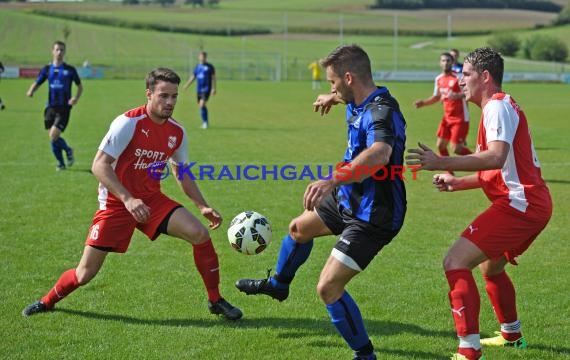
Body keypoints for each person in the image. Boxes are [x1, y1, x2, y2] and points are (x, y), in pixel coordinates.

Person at [22, 68, 242, 321]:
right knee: (85, 273)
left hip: (151, 200)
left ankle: (215, 300)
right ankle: (47, 301)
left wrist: (202, 205)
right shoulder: (128, 123)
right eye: (163, 96)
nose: (170, 102)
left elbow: (181, 171)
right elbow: (99, 165)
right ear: (149, 94)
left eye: (174, 97)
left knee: (200, 234)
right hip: (116, 203)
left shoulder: (177, 132)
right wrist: (127, 198)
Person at [236, 44, 407, 360]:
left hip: (374, 214)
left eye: (332, 83)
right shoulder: (358, 98)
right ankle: (278, 285)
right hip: (348, 199)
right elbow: (347, 98)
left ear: (349, 77)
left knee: (328, 288)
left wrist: (332, 179)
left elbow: (380, 154)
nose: (331, 88)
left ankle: (365, 356)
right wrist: (333, 97)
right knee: (298, 228)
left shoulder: (381, 111)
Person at [406, 47, 552, 360]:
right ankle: (512, 335)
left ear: (485, 77)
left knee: (455, 261)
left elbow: (495, 157)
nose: (460, 80)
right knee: (491, 266)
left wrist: (440, 161)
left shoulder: (496, 107)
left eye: (467, 74)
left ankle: (468, 350)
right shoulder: (496, 107)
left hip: (520, 205)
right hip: (528, 203)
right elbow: (496, 169)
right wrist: (457, 182)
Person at [26, 41, 83, 171]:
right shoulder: (47, 69)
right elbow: (38, 82)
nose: (59, 52)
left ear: (64, 52)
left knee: (53, 135)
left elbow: (80, 86)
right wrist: (31, 91)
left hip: (64, 108)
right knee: (53, 138)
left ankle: (68, 150)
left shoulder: (70, 70)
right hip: (50, 108)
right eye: (57, 50)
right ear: (52, 51)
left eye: (62, 50)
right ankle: (61, 163)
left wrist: (76, 98)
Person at [413, 52, 472, 161]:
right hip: (446, 118)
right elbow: (436, 97)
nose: (445, 63)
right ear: (440, 63)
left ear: (452, 62)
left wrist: (457, 95)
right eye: (443, 61)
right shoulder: (439, 79)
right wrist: (423, 103)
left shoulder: (459, 78)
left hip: (460, 118)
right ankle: (449, 173)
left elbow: (470, 92)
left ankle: (482, 164)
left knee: (457, 149)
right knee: (441, 146)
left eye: (448, 61)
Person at [183, 51, 216, 129]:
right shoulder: (197, 67)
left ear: (206, 57)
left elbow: (213, 78)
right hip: (199, 90)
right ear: (199, 57)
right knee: (201, 106)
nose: (202, 58)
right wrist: (187, 85)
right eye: (201, 56)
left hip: (207, 89)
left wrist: (214, 88)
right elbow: (193, 77)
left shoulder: (210, 67)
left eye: (204, 56)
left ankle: (205, 123)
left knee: (202, 104)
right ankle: (204, 122)